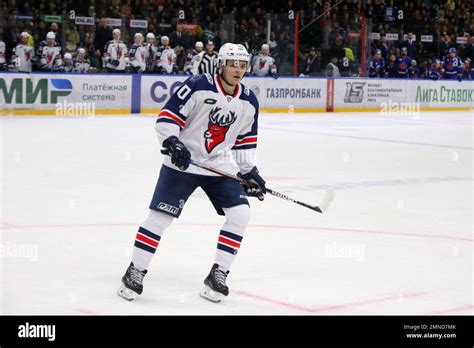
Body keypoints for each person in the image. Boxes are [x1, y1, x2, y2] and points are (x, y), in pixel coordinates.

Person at [117, 43, 265, 304]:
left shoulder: (248, 101)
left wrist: (249, 171)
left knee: (240, 214)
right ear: (221, 64)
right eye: (232, 64)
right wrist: (173, 143)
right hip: (183, 164)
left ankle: (218, 274)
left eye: (242, 65)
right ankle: (135, 271)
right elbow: (167, 117)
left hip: (219, 166)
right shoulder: (198, 84)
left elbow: (244, 140)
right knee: (160, 217)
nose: (238, 70)